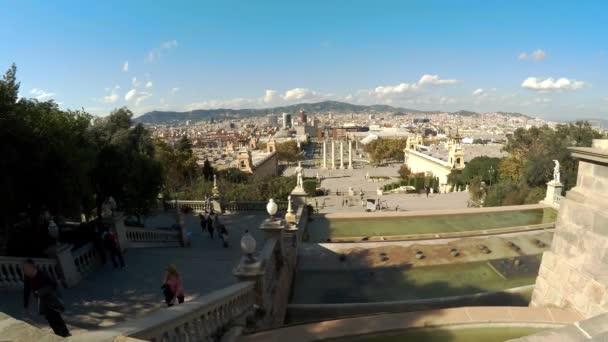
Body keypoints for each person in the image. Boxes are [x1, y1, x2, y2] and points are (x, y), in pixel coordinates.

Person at [23, 259, 71, 337]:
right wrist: (25, 305)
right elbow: (26, 290)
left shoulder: (42, 274)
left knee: (55, 315)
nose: (25, 271)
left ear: (33, 267)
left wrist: (43, 290)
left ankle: (65, 333)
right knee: (49, 318)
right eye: (24, 269)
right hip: (41, 300)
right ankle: (58, 334)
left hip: (50, 297)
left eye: (27, 268)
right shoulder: (27, 277)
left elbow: (54, 284)